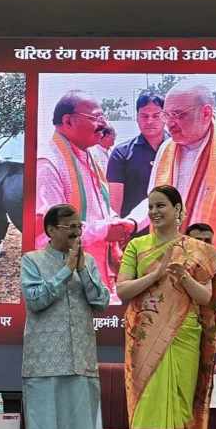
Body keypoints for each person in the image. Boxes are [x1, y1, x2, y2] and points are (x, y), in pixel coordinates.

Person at [117, 185, 216, 429]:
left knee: (178, 410)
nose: (154, 212)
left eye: (161, 206)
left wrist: (184, 278)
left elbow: (206, 297)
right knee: (146, 410)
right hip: (145, 339)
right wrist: (155, 275)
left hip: (184, 337)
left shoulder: (195, 250)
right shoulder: (137, 246)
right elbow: (122, 289)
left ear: (178, 210)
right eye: (151, 206)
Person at [21, 204, 112, 429]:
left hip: (81, 359)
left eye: (78, 226)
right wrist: (65, 271)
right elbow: (36, 300)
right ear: (50, 230)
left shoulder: (90, 262)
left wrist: (82, 269)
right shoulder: (32, 261)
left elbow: (101, 301)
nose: (76, 232)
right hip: (43, 361)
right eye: (69, 227)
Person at [36, 91, 135, 300]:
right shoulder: (48, 163)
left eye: (103, 117)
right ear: (68, 121)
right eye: (96, 117)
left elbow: (99, 207)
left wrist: (115, 223)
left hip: (95, 273)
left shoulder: (90, 157)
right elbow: (51, 231)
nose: (104, 124)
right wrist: (104, 231)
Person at [126, 82, 216, 251]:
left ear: (206, 113)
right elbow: (155, 200)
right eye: (166, 115)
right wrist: (132, 222)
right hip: (168, 254)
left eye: (178, 115)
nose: (170, 124)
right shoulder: (166, 149)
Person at [107, 92, 168, 220]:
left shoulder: (178, 148)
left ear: (165, 116)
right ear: (137, 117)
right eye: (144, 116)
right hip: (134, 229)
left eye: (156, 116)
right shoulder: (121, 153)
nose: (149, 121)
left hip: (171, 228)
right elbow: (114, 207)